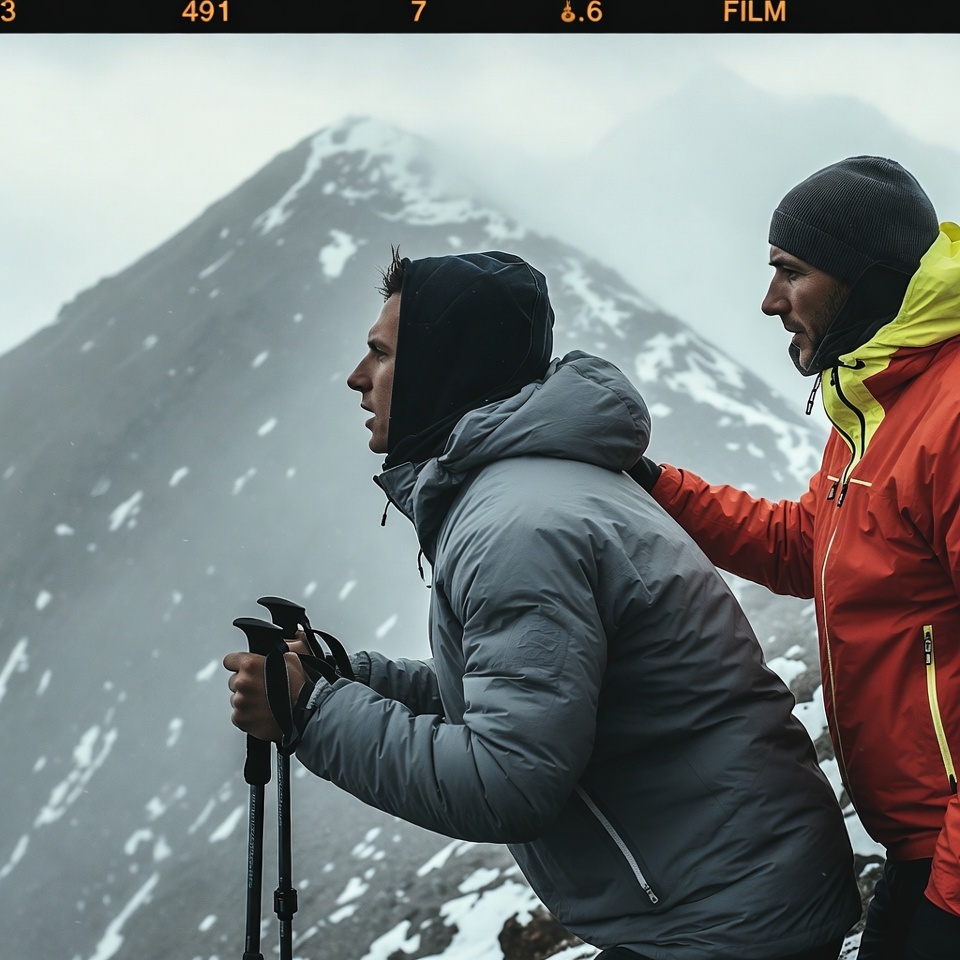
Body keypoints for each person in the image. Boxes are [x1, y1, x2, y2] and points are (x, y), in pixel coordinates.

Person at [225, 249, 860, 960]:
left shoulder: (517, 526)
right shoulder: (533, 489)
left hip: (723, 920)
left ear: (442, 367)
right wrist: (349, 676)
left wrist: (309, 711)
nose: (356, 376)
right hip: (742, 887)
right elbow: (526, 693)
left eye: (380, 353)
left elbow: (506, 780)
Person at [628, 156, 960, 960]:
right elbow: (808, 544)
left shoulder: (948, 416)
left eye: (791, 270)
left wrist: (951, 898)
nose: (770, 300)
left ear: (864, 279)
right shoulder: (878, 402)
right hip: (919, 849)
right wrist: (653, 484)